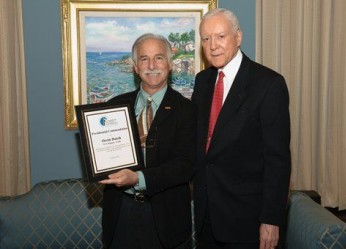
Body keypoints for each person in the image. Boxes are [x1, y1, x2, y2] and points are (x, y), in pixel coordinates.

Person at [191, 8, 291, 249]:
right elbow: (201, 144)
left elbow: (277, 159)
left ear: (238, 37)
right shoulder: (203, 81)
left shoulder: (269, 84)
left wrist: (270, 219)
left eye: (220, 36)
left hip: (247, 222)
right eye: (206, 39)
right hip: (206, 219)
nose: (212, 45)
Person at [99, 33, 196, 249]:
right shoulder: (114, 106)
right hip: (120, 215)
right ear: (135, 66)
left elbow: (185, 166)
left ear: (170, 64)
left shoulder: (187, 110)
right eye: (144, 59)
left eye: (159, 57)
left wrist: (137, 178)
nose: (152, 65)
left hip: (167, 219)